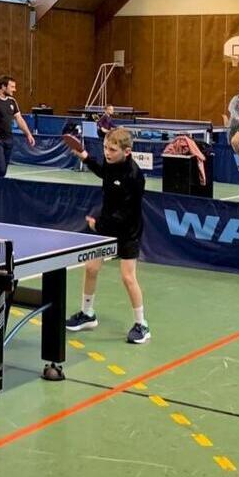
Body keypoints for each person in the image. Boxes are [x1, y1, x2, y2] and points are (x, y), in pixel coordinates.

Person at [65, 128, 149, 344]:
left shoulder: (134, 175)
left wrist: (97, 224)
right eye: (104, 148)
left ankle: (142, 325)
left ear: (127, 151)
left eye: (112, 149)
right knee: (91, 268)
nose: (107, 153)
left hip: (128, 230)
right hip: (106, 226)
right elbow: (103, 171)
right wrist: (85, 156)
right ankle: (87, 314)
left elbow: (125, 213)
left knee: (128, 277)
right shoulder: (110, 165)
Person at [0, 75, 35, 177]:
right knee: (0, 169)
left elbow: (19, 119)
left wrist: (28, 134)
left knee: (3, 171)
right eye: (12, 87)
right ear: (3, 86)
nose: (14, 89)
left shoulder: (12, 101)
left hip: (9, 140)